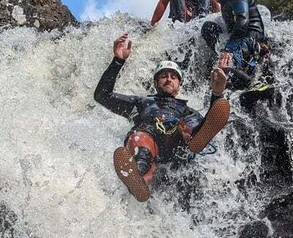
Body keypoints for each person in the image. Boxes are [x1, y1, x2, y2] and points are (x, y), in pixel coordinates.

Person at [93, 33, 231, 202]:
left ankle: (194, 137)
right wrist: (117, 61)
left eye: (173, 77)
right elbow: (102, 96)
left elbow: (210, 123)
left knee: (190, 129)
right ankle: (139, 178)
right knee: (141, 137)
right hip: (149, 140)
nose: (168, 79)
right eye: (163, 76)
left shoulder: (187, 110)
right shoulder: (140, 102)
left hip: (176, 146)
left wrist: (216, 94)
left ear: (179, 86)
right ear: (156, 82)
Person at [198, 0, 270, 95]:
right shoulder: (224, 0)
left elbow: (243, 21)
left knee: (225, 69)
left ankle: (253, 83)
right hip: (240, 41)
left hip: (252, 40)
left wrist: (228, 50)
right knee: (208, 27)